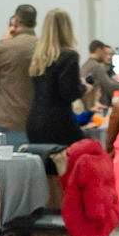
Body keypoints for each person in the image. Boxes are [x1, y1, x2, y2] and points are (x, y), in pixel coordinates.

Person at [0, 4, 38, 146]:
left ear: (16, 21)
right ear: (35, 23)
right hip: (37, 123)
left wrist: (4, 40)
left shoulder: (7, 46)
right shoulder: (45, 47)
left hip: (8, 122)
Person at [26, 8, 86, 146]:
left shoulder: (38, 58)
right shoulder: (69, 56)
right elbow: (68, 93)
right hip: (59, 124)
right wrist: (82, 87)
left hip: (34, 123)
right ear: (67, 29)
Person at [81, 40, 119, 109]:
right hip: (97, 106)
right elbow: (109, 86)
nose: (106, 56)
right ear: (99, 50)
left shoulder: (86, 65)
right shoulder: (96, 66)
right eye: (104, 52)